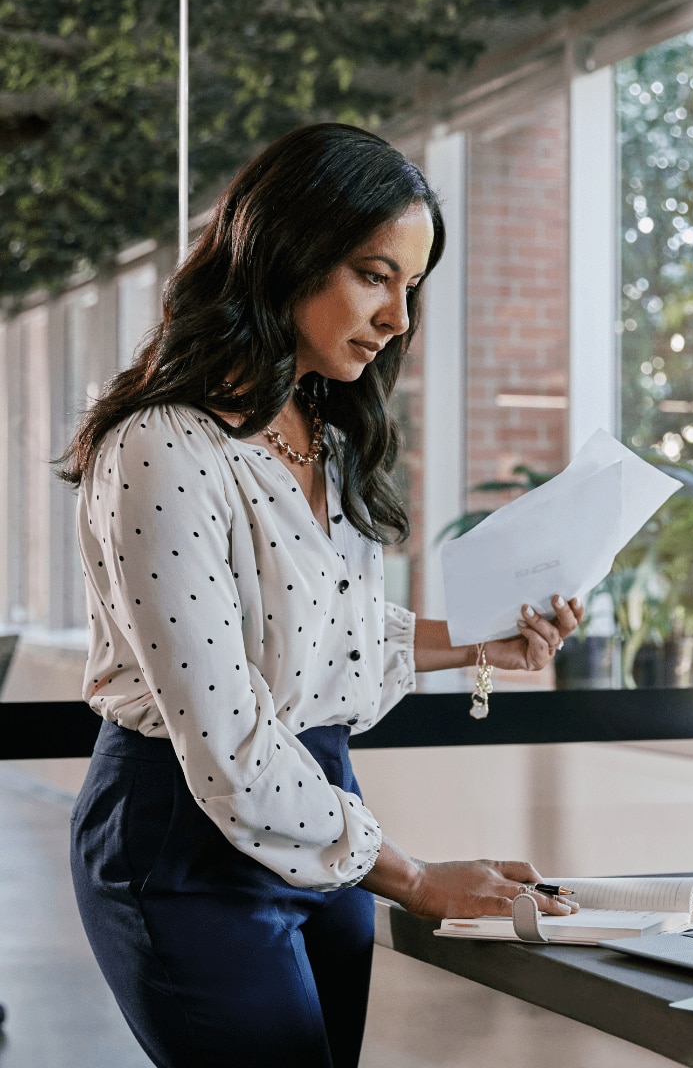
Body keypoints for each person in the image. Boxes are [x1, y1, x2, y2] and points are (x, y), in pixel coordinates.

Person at [59, 122, 585, 1068]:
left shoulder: (323, 433)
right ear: (285, 253)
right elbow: (228, 735)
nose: (399, 320)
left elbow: (323, 636)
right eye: (374, 276)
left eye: (411, 287)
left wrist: (479, 641)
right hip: (183, 840)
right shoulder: (160, 448)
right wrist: (415, 878)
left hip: (319, 814)